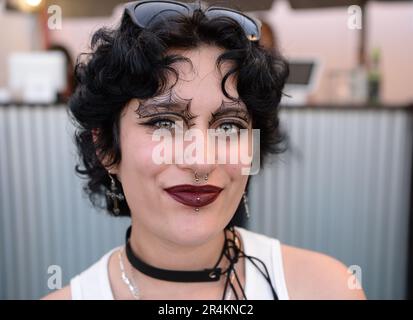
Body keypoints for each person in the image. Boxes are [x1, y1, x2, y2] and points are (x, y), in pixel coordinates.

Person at [43, 0, 366, 300]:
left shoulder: (328, 288)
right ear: (106, 148)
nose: (200, 161)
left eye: (229, 127)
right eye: (164, 123)